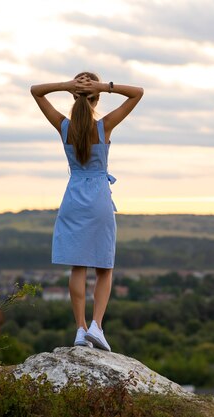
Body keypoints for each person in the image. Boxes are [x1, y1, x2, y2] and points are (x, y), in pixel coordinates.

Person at [31, 72, 144, 351]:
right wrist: (106, 87)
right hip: (99, 199)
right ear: (96, 97)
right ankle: (97, 326)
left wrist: (66, 86)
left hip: (73, 196)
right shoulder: (104, 126)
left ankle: (80, 329)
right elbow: (138, 93)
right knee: (104, 266)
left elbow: (35, 91)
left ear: (73, 95)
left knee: (77, 265)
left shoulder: (64, 127)